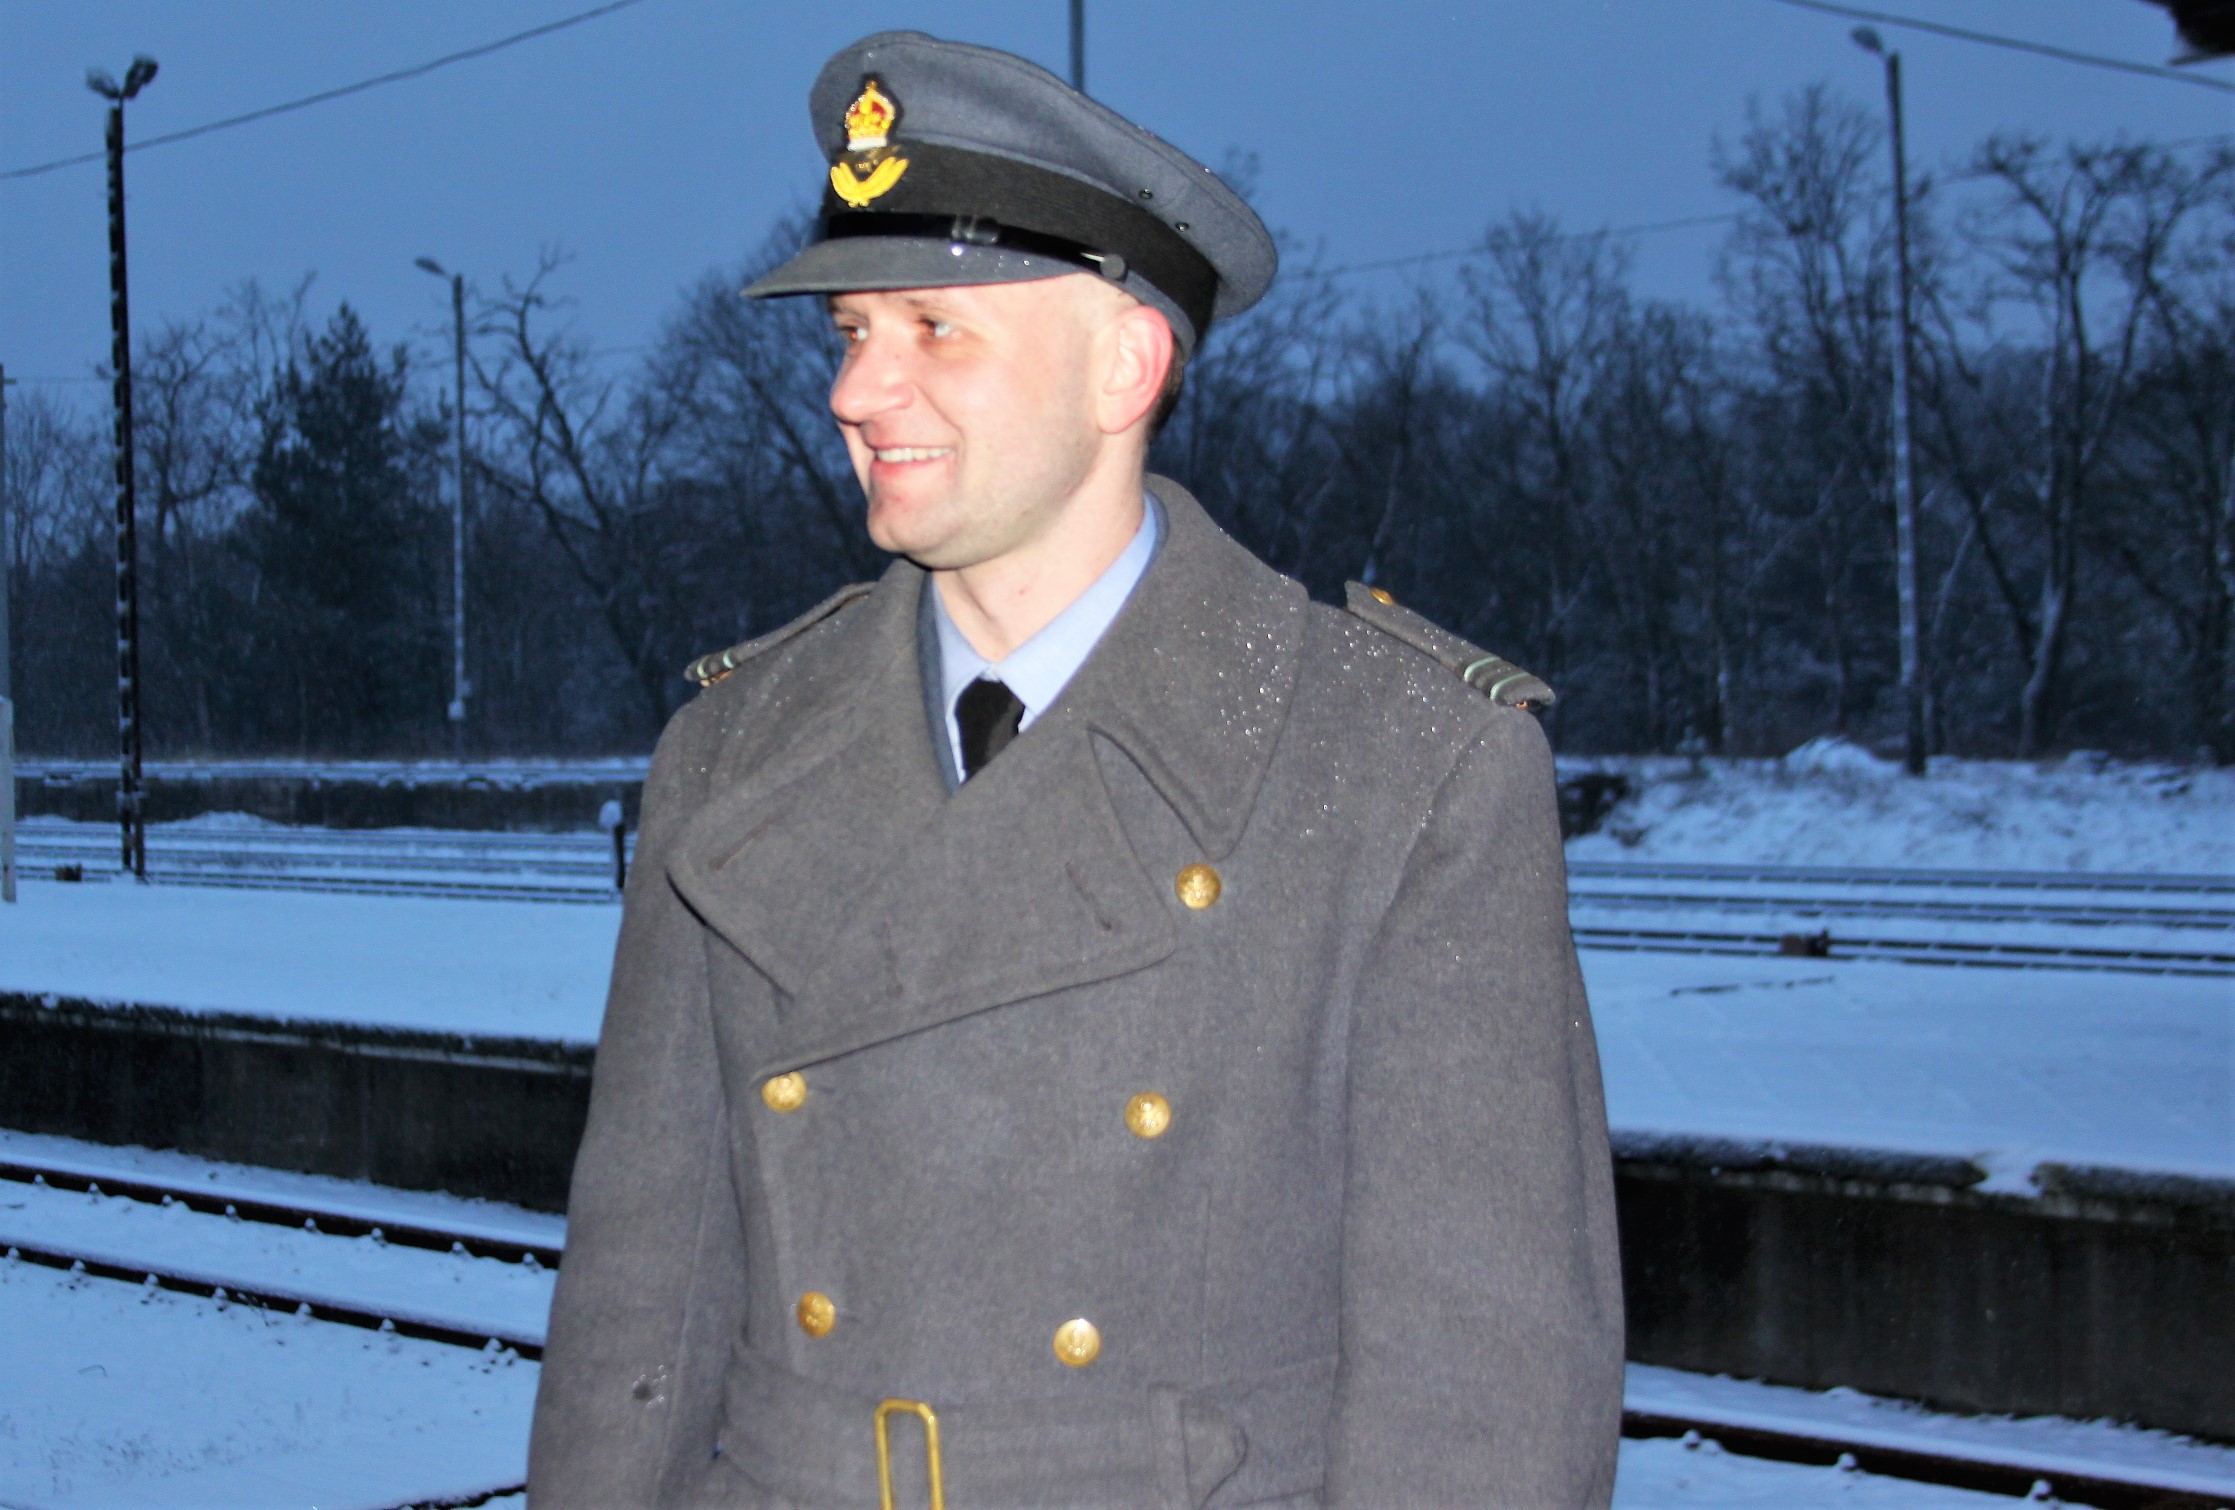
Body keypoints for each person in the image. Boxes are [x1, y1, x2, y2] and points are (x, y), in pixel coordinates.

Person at [529, 30, 1622, 1509]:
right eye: (852, 331)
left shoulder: (1402, 771)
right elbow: (638, 1308)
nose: (858, 389)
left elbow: (1483, 1399)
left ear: (1126, 363)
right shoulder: (727, 753)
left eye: (933, 328)